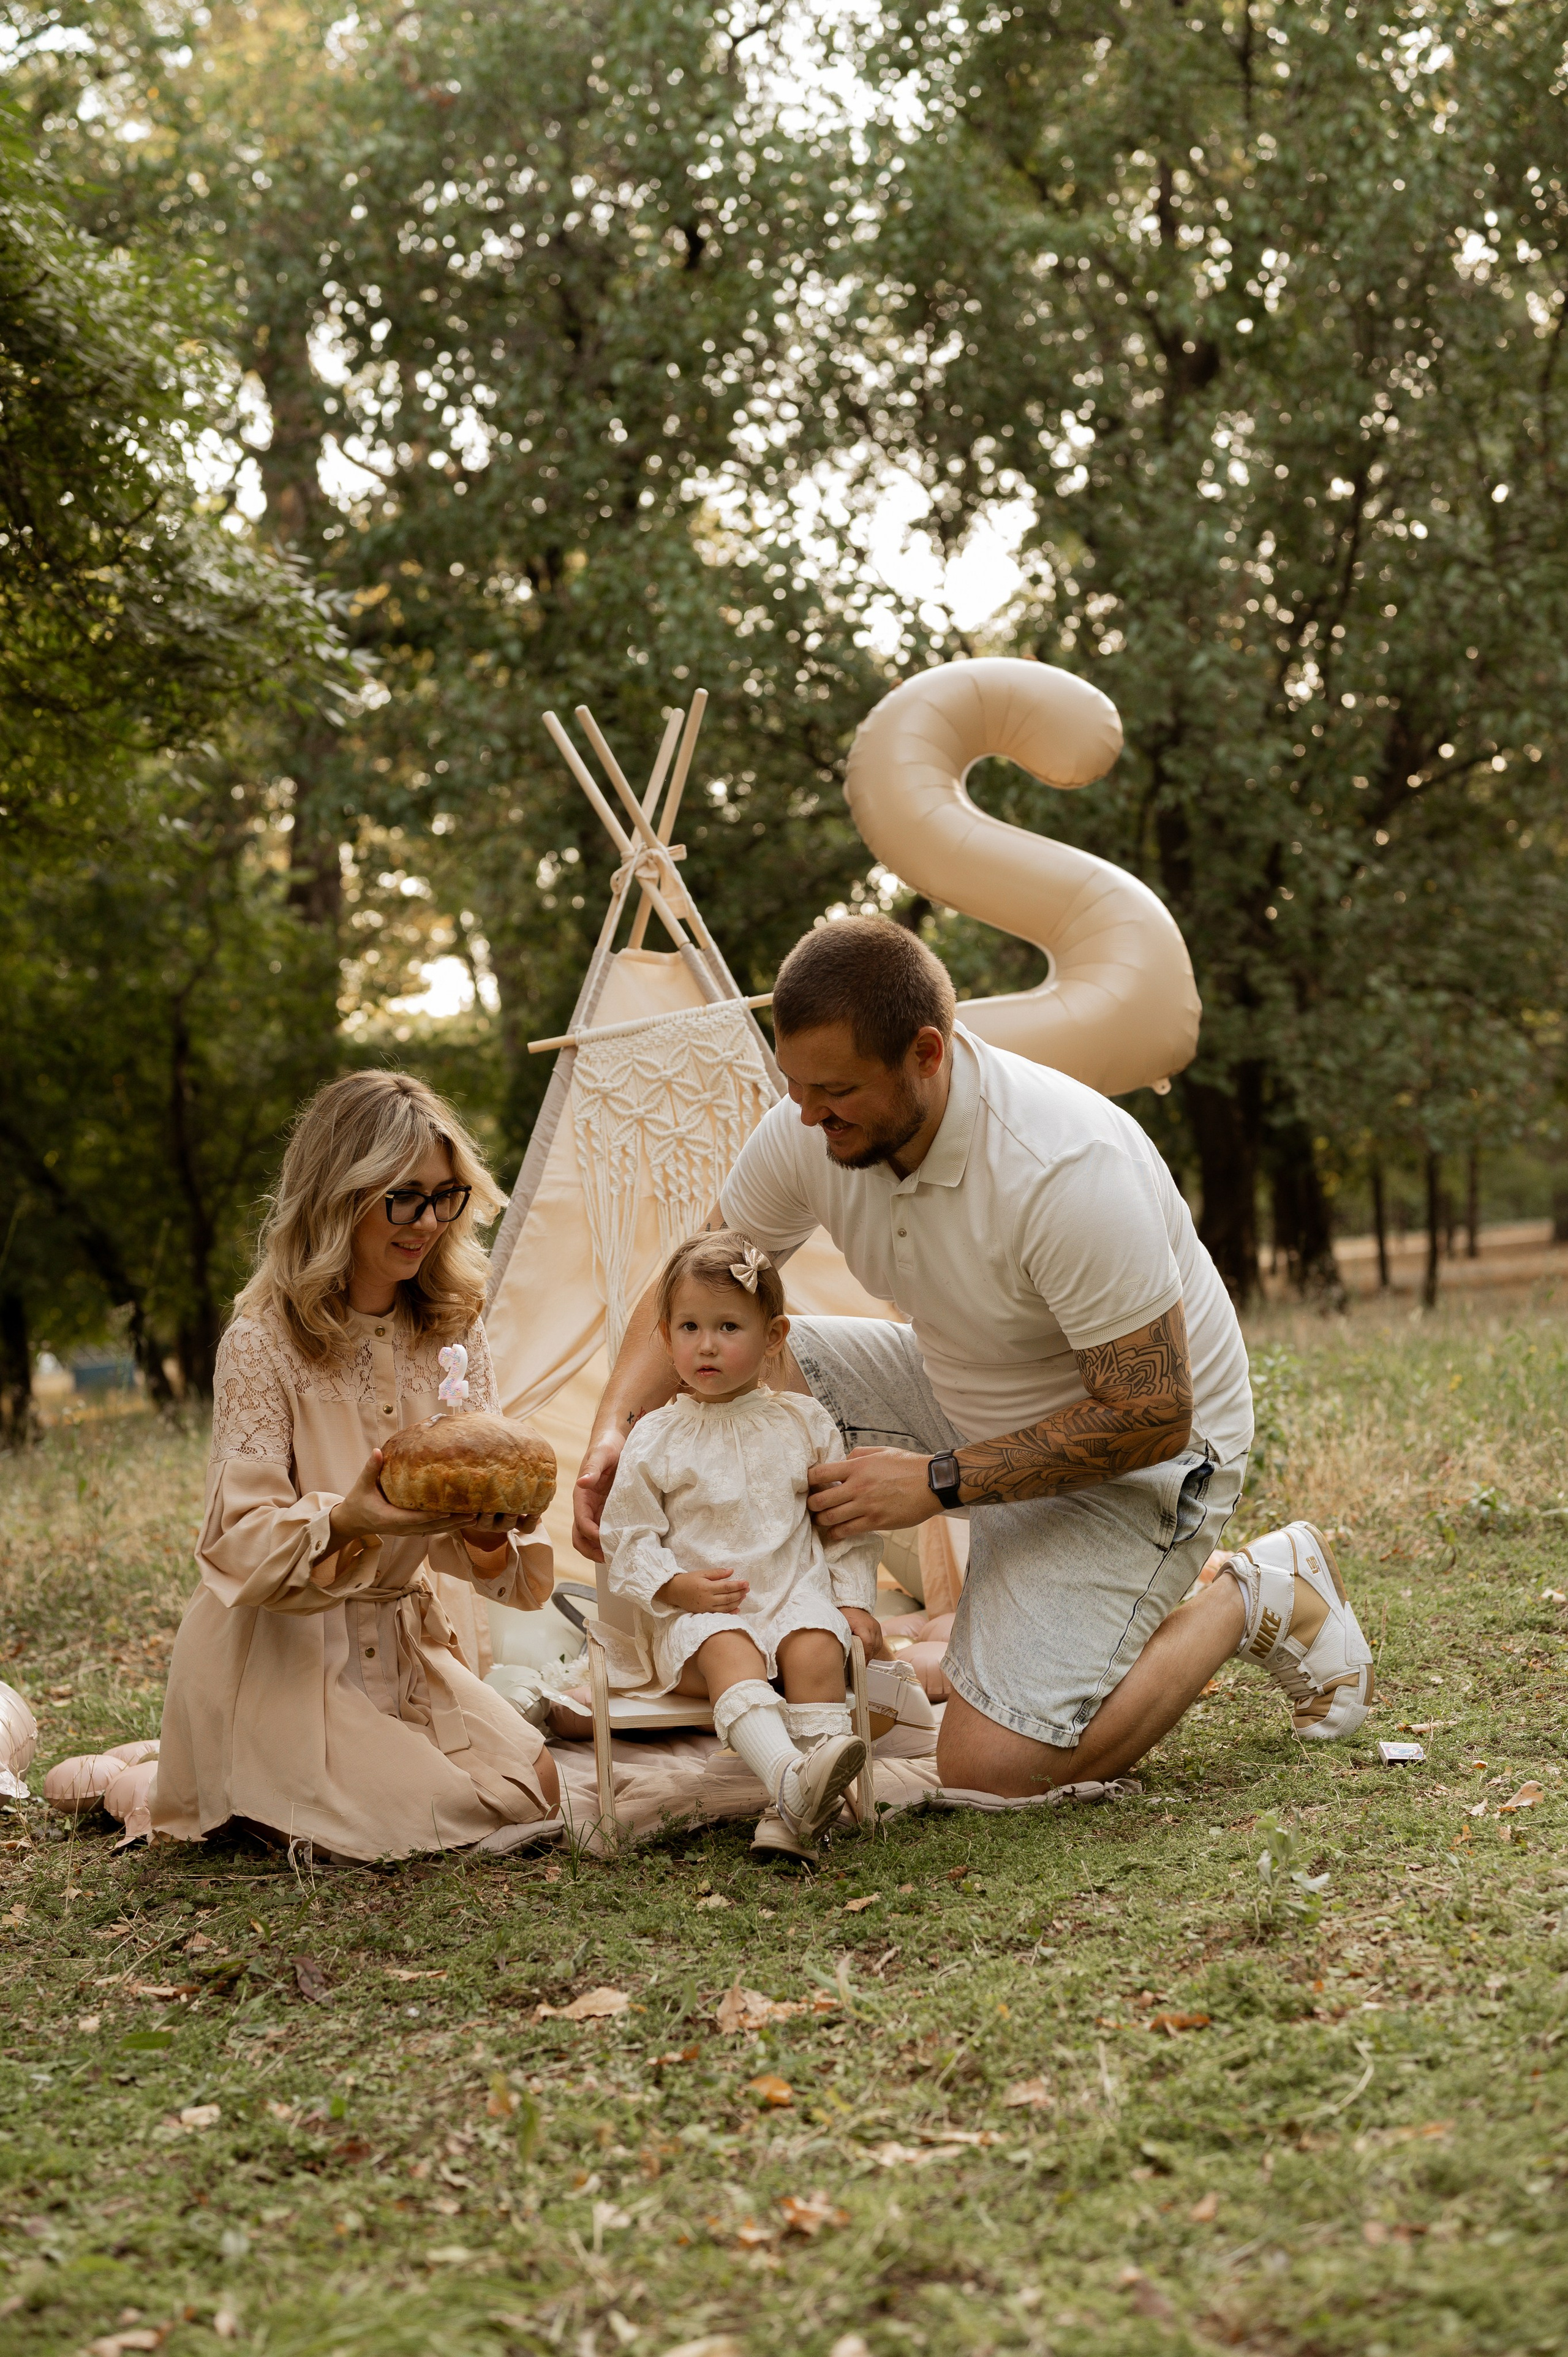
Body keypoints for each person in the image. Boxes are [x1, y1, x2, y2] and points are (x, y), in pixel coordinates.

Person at [574, 919, 1373, 1798]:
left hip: (1144, 1458)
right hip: (962, 1388)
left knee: (992, 1771)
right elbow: (697, 1282)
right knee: (731, 1360)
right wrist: (616, 1429)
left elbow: (1151, 1414)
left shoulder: (1064, 1167)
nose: (806, 1114)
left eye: (834, 1090)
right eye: (795, 1085)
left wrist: (938, 1482)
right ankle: (799, 1624)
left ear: (926, 1053)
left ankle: (1252, 1593)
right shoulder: (809, 1128)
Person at [153, 1071, 560, 1861]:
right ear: (338, 1196)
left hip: (404, 1643)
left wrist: (486, 1532)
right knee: (428, 1820)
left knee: (533, 1782)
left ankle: (266, 1794)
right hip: (287, 1653)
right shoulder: (261, 1342)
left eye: (445, 1197)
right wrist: (347, 1518)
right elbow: (237, 1543)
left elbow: (466, 1539)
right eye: (403, 1197)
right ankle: (210, 1772)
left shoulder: (453, 1331)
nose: (429, 1222)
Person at [596, 1231, 877, 1861]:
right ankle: (791, 1781)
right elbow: (628, 1537)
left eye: (728, 1326)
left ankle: (793, 1811)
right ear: (665, 1336)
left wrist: (855, 1600)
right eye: (689, 1327)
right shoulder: (656, 1435)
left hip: (792, 1593)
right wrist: (676, 1587)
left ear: (773, 1336)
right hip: (704, 1616)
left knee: (817, 1643)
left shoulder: (804, 1422)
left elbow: (843, 1524)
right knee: (730, 1646)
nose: (706, 1344)